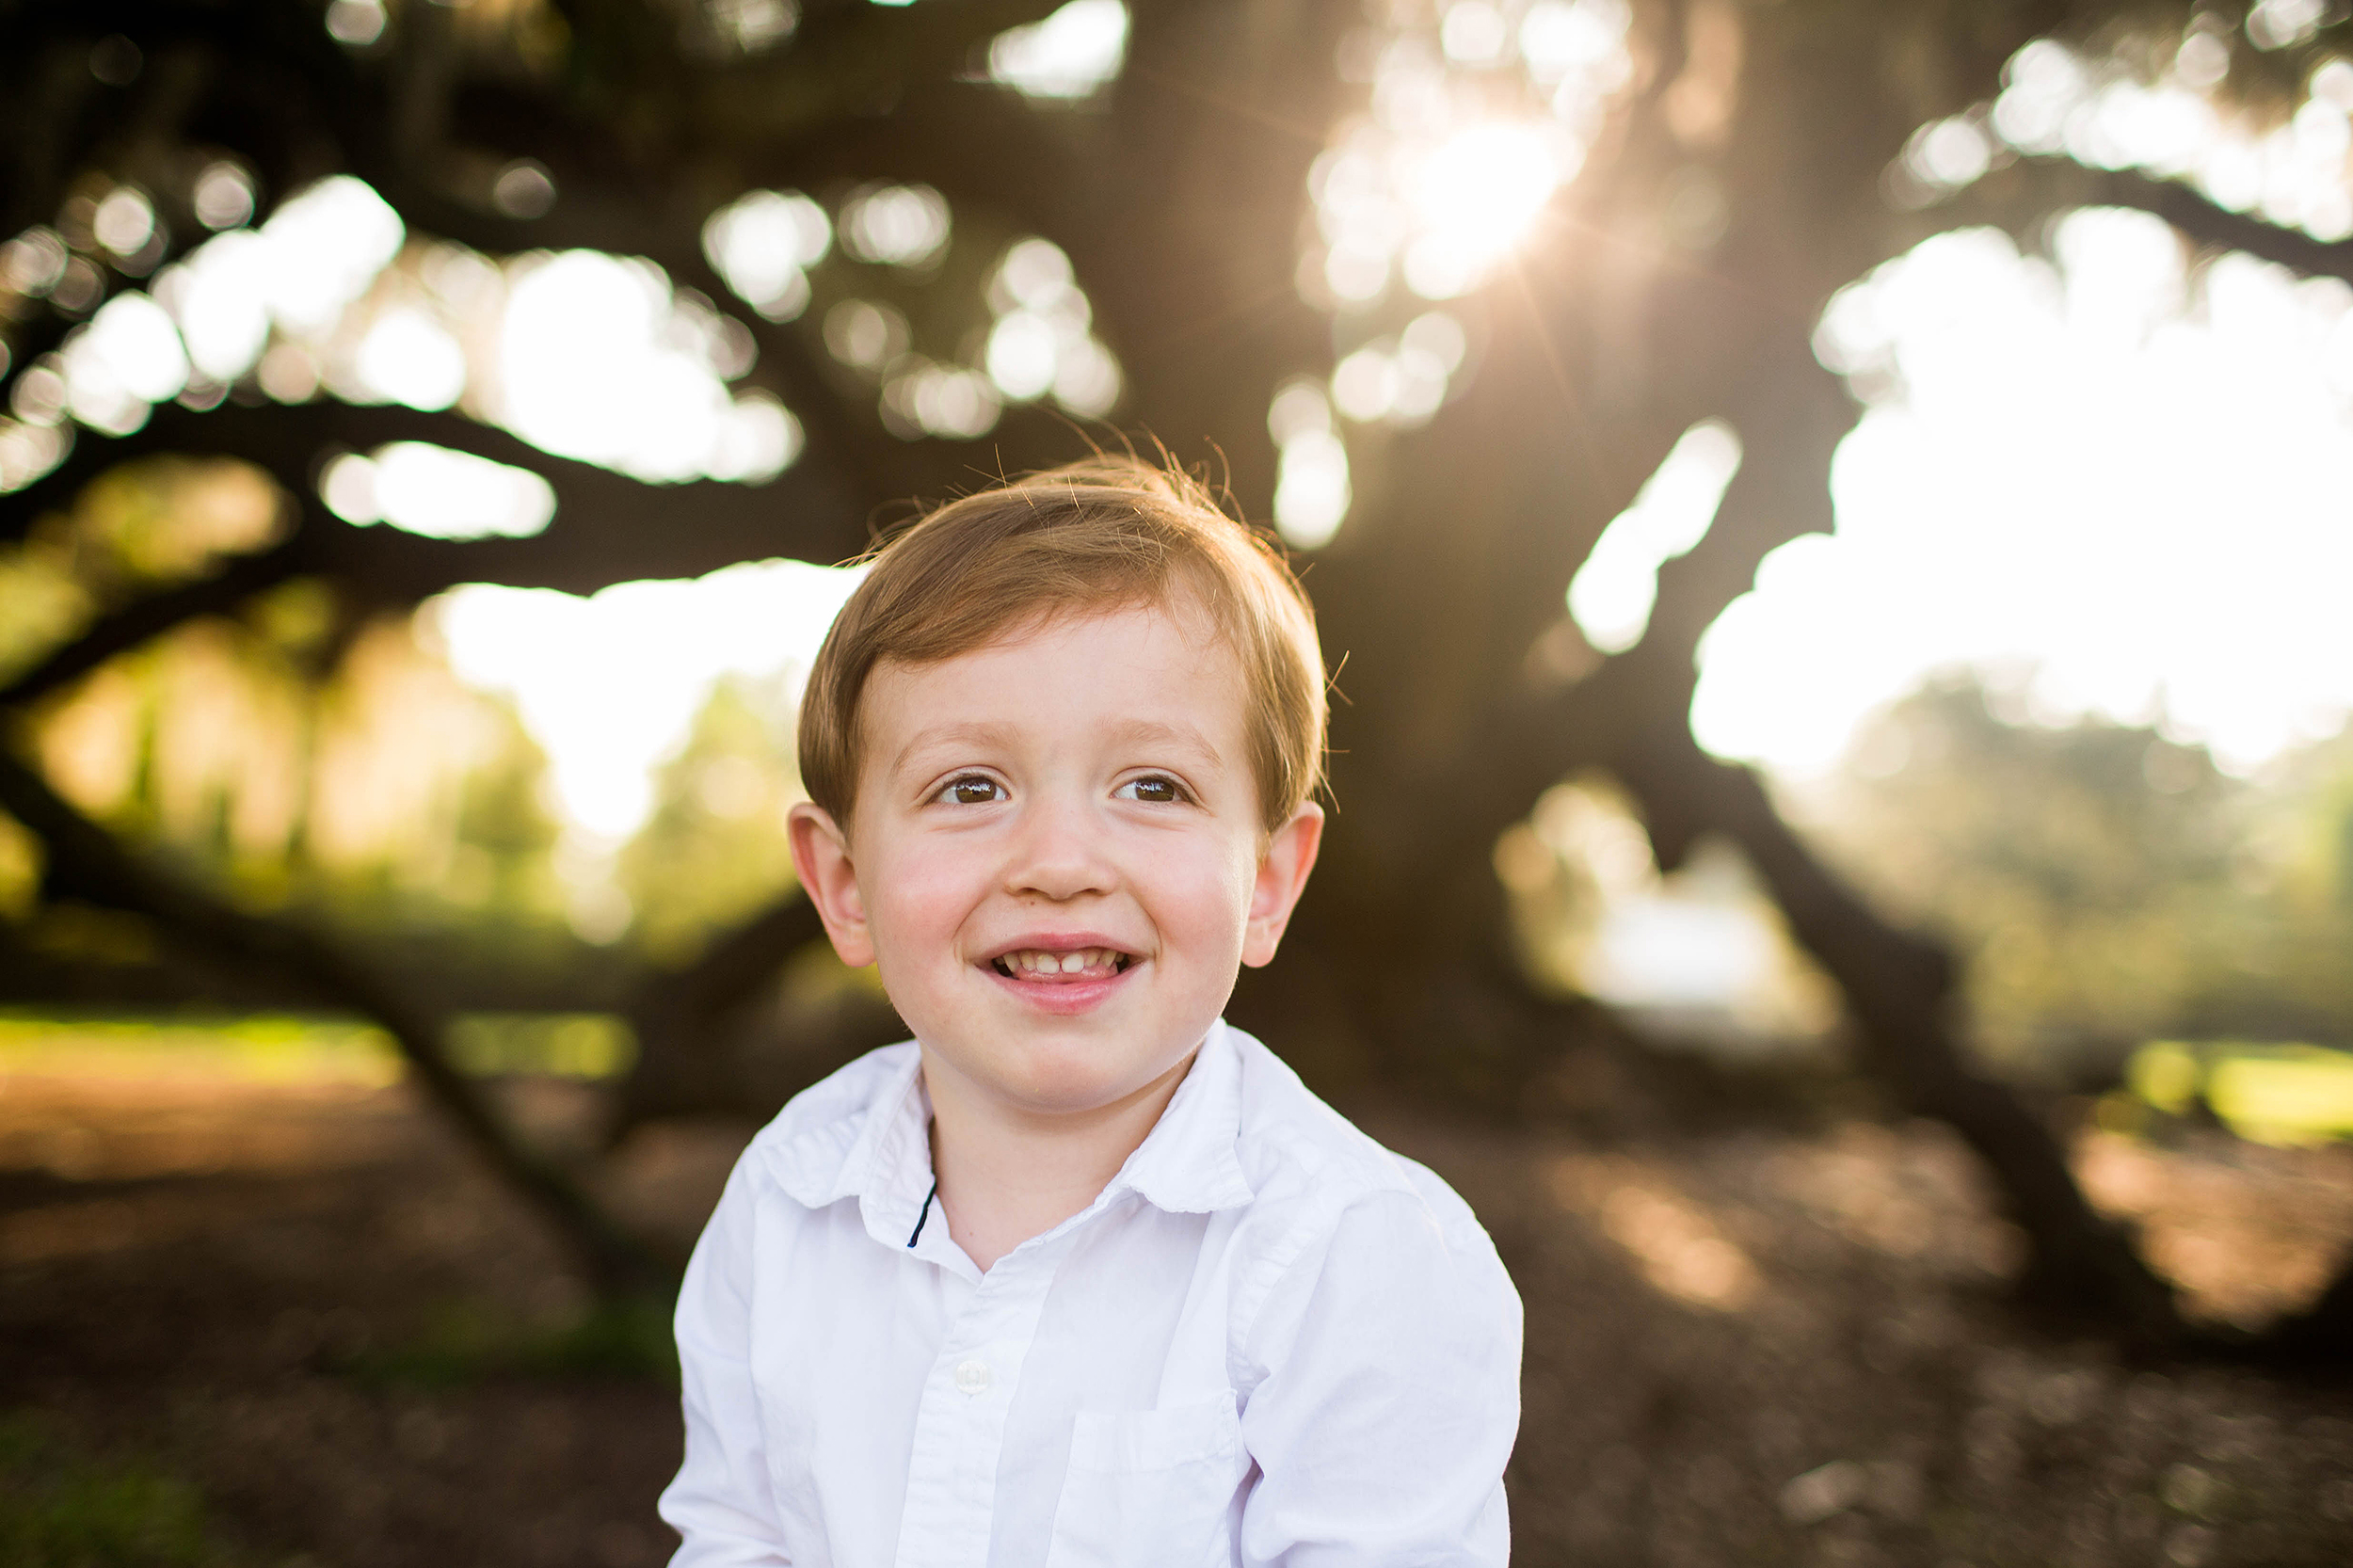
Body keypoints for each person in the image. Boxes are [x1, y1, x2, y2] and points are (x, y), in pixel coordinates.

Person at [659, 455, 1522, 1567]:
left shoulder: (1361, 1263)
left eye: (1152, 786)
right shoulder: (785, 1201)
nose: (1058, 863)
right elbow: (738, 1538)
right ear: (843, 884)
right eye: (970, 786)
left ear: (1266, 883)